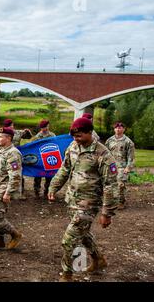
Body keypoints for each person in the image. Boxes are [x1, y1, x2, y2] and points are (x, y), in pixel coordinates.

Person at [48, 117, 118, 282]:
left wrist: (107, 213)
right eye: (74, 136)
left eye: (79, 136)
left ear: (89, 133)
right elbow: (65, 169)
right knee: (83, 234)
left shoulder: (103, 155)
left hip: (89, 204)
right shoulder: (73, 147)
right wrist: (53, 187)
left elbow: (110, 185)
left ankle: (67, 275)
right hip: (72, 200)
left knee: (69, 240)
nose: (76, 139)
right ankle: (99, 260)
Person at [0, 126, 23, 250]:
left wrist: (8, 193)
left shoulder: (13, 153)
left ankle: (15, 234)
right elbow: (2, 166)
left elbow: (16, 175)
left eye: (0, 136)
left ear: (9, 138)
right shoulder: (3, 150)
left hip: (4, 188)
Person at [105, 122, 135, 210]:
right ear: (114, 129)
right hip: (111, 166)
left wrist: (128, 167)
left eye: (120, 128)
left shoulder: (128, 142)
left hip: (122, 166)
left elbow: (131, 156)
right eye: (116, 128)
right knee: (109, 185)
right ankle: (110, 201)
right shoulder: (109, 140)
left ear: (124, 129)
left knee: (120, 185)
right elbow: (105, 154)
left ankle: (121, 202)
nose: (118, 129)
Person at [31, 120, 56, 199]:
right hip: (40, 159)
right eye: (43, 127)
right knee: (38, 175)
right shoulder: (37, 137)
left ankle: (47, 192)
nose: (45, 128)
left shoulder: (52, 135)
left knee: (49, 176)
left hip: (49, 159)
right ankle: (36, 192)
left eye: (46, 127)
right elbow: (32, 147)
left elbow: (56, 145)